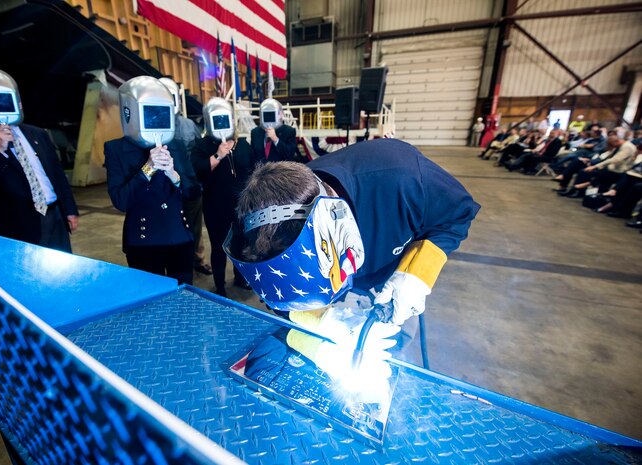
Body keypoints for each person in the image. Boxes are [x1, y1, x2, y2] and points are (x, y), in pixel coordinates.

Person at [224, 138, 480, 360]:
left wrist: (415, 274)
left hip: (391, 276)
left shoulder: (404, 176)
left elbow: (458, 213)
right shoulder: (267, 223)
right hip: (332, 284)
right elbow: (283, 297)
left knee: (389, 344)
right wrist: (320, 327)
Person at [0, 67, 79, 252]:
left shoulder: (37, 133)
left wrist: (69, 209)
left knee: (63, 266)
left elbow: (57, 174)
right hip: (17, 222)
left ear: (19, 103)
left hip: (55, 215)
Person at [105, 76, 197, 283]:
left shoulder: (177, 144)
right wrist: (148, 169)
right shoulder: (116, 149)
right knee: (151, 301)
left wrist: (174, 175)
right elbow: (120, 201)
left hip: (179, 237)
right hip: (144, 241)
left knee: (183, 298)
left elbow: (194, 191)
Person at [191, 98, 256, 296]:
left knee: (240, 244)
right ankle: (219, 284)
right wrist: (218, 155)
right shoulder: (203, 146)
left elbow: (253, 171)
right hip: (215, 207)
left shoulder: (243, 145)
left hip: (241, 207)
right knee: (219, 247)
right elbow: (197, 170)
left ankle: (240, 277)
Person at [158, 78, 212, 276]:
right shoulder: (150, 126)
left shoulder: (189, 125)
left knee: (194, 227)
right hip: (164, 191)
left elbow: (199, 154)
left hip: (190, 187)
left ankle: (198, 259)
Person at [250, 98, 298, 163]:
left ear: (280, 114)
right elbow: (253, 157)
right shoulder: (255, 132)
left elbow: (289, 155)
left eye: (272, 113)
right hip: (261, 171)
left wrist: (275, 139)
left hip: (280, 171)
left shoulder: (289, 131)